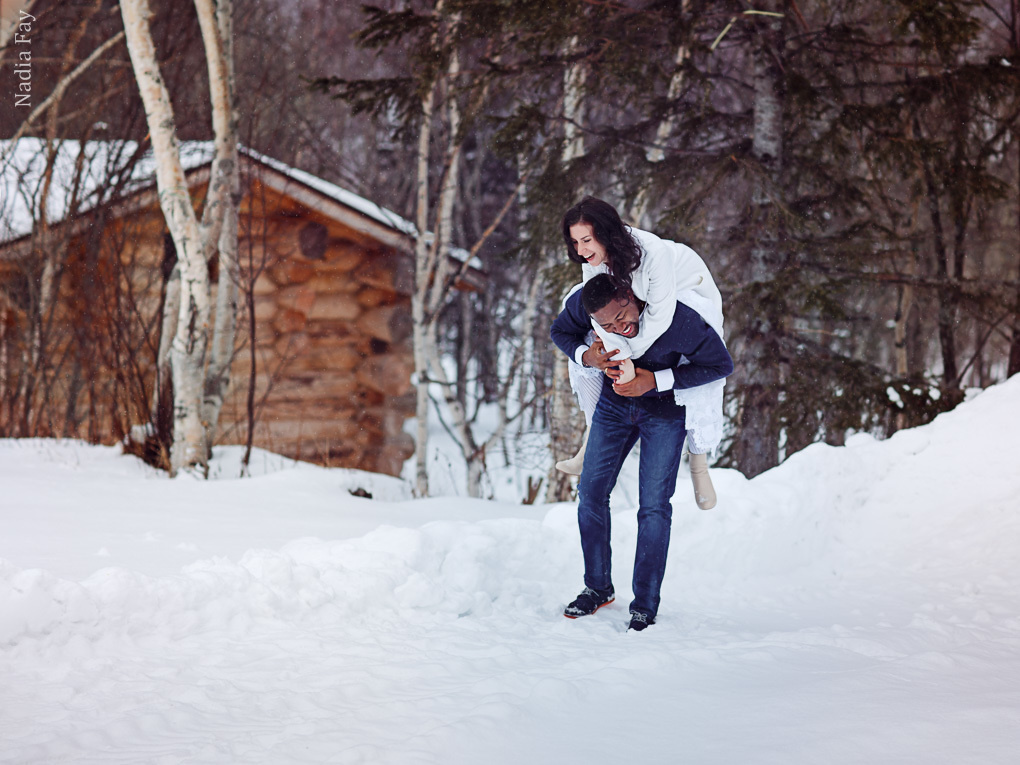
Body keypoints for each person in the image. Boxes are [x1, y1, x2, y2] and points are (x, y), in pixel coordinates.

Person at [550, 274, 733, 630]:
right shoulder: (585, 306)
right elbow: (561, 331)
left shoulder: (678, 317)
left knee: (653, 506)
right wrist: (587, 355)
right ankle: (597, 587)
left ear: (632, 295)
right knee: (589, 493)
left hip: (664, 410)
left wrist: (654, 381)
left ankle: (645, 604)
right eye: (607, 326)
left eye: (623, 316)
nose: (621, 327)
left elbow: (720, 364)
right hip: (614, 405)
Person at [554, 196, 726, 511]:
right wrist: (608, 355)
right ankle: (591, 441)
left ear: (605, 233)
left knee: (696, 360)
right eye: (575, 242)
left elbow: (660, 319)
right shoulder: (593, 263)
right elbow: (598, 316)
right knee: (592, 345)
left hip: (686, 293)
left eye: (587, 240)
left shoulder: (654, 254)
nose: (580, 250)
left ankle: (699, 464)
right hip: (631, 305)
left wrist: (631, 362)